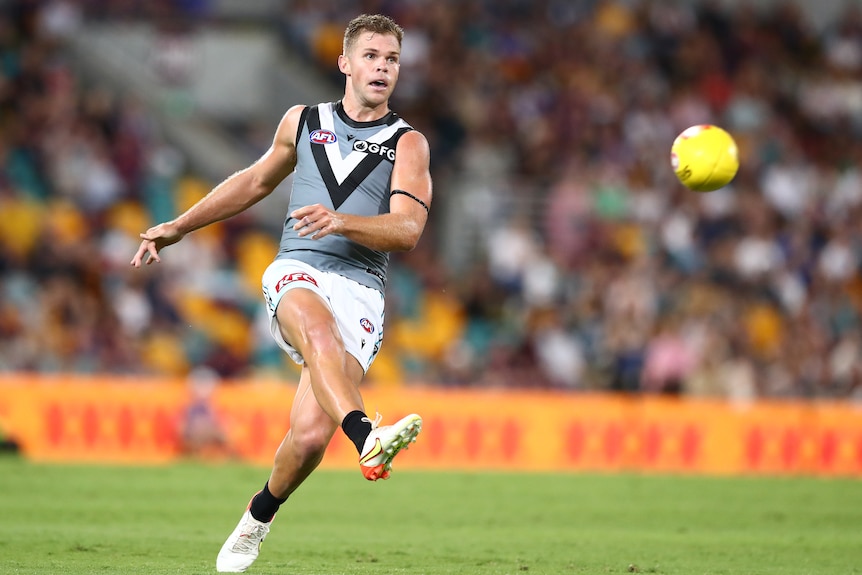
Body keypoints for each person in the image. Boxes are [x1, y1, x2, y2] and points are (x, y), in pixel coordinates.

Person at [130, 13, 431, 573]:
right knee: (314, 329)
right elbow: (254, 181)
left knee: (311, 436)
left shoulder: (407, 145)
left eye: (391, 59)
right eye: (371, 56)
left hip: (361, 290)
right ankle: (367, 436)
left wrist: (341, 222)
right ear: (344, 63)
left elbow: (408, 231)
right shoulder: (304, 120)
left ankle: (257, 517)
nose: (382, 68)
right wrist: (179, 225)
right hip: (297, 270)